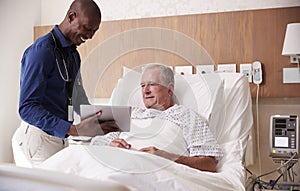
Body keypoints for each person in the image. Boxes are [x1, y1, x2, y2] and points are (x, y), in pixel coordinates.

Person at [12, 0, 119, 167]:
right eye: (88, 28)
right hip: (38, 138)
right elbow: (27, 108)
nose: (90, 36)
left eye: (94, 31)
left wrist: (104, 121)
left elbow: (78, 99)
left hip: (61, 137)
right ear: (71, 16)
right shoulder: (41, 52)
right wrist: (73, 129)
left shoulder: (73, 56)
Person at [91, 64, 222, 172]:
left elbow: (209, 165)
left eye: (152, 84)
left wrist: (166, 157)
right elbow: (96, 144)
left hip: (157, 171)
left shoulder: (186, 115)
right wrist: (110, 146)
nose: (145, 91)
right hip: (116, 165)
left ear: (169, 90)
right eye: (142, 85)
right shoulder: (132, 114)